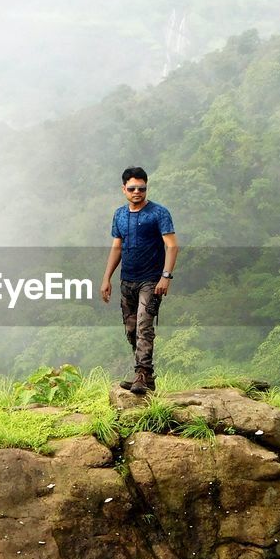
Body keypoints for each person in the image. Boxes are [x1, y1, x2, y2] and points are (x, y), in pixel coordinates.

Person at [100, 167, 177, 394]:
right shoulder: (120, 215)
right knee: (131, 329)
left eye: (141, 188)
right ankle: (143, 376)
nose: (137, 192)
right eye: (132, 188)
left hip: (151, 280)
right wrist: (107, 278)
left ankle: (143, 373)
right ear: (124, 189)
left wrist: (165, 276)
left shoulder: (158, 213)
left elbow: (172, 245)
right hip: (127, 280)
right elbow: (117, 247)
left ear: (146, 188)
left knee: (144, 326)